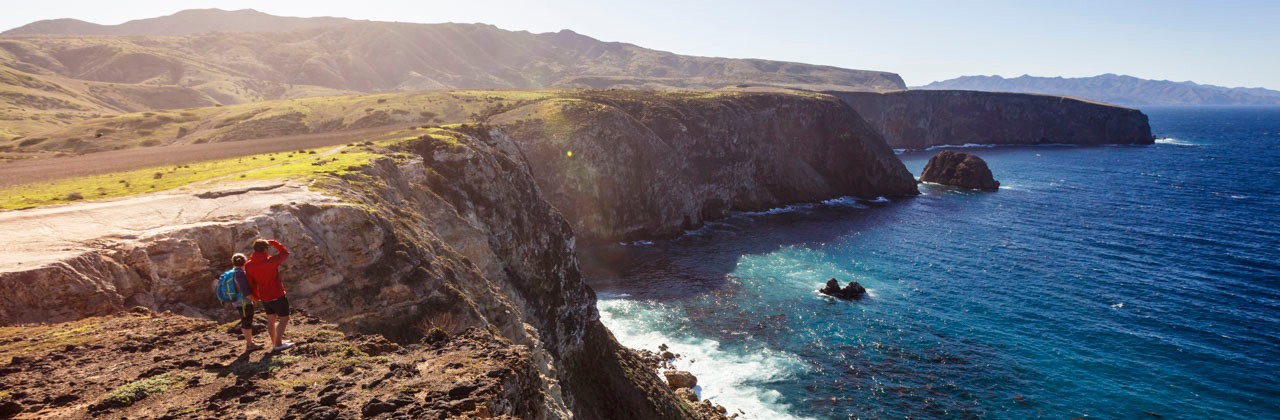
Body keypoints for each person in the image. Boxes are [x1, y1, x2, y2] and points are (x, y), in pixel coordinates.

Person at [245, 238, 294, 352]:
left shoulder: (249, 265)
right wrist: (274, 243)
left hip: (264, 296)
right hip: (277, 295)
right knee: (284, 319)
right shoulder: (271, 261)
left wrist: (256, 296)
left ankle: (274, 342)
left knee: (271, 319)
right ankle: (278, 344)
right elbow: (285, 253)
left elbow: (251, 283)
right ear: (266, 249)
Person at [223, 253, 261, 352]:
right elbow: (245, 291)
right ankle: (249, 344)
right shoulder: (240, 274)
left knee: (245, 320)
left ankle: (250, 341)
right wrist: (255, 299)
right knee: (247, 321)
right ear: (245, 261)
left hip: (237, 301)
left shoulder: (232, 272)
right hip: (244, 302)